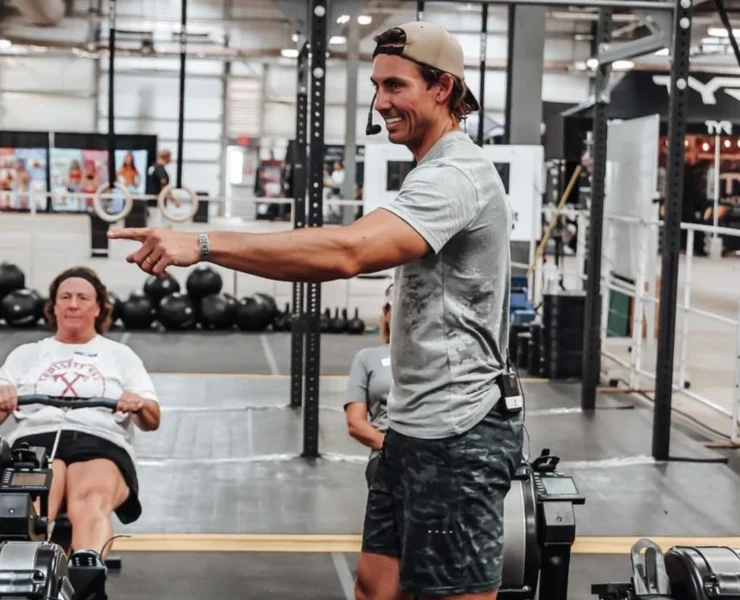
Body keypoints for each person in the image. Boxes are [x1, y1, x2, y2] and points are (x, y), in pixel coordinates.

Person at [109, 20, 522, 600]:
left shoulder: (457, 174)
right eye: (377, 87)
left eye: (396, 86)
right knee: (376, 588)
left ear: (443, 88)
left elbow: (349, 251)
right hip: (410, 424)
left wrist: (201, 244)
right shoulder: (430, 169)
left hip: (460, 431)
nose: (381, 103)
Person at [0, 266, 161, 569]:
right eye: (66, 297)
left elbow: (152, 419)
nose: (74, 304)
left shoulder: (119, 355)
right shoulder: (25, 355)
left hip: (99, 440)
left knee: (88, 501)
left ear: (98, 307)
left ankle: (86, 574)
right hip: (34, 441)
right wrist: (4, 398)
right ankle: (21, 578)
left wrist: (138, 403)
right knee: (29, 507)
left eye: (83, 297)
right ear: (54, 306)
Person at [344, 282, 393, 488]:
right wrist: (394, 448)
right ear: (386, 312)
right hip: (387, 455)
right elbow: (355, 423)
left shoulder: (436, 356)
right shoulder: (368, 358)